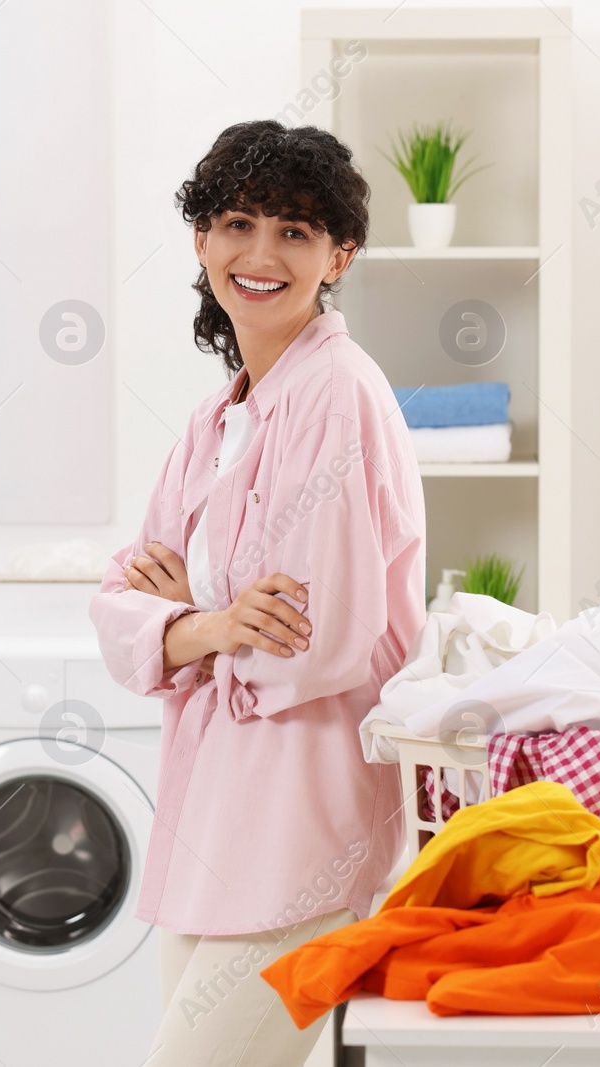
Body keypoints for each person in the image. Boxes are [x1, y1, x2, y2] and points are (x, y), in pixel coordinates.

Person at [89, 118, 427, 1066]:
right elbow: (119, 606)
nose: (261, 253)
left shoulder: (337, 392)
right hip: (210, 819)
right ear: (202, 240)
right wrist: (208, 624)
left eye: (295, 231)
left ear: (340, 256)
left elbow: (314, 637)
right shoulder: (218, 416)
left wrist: (185, 624)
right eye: (238, 222)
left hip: (303, 825)